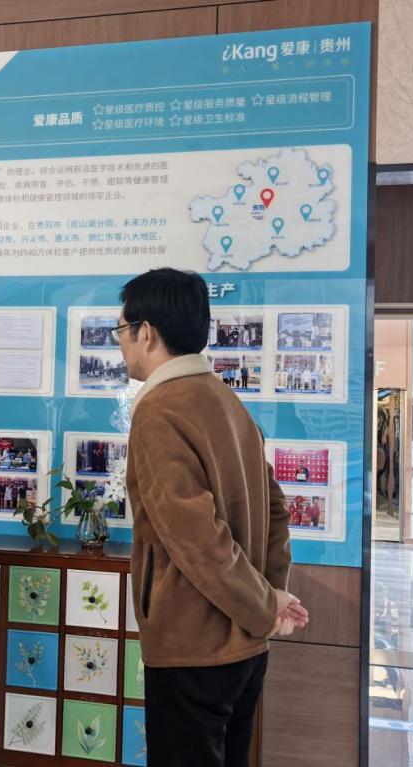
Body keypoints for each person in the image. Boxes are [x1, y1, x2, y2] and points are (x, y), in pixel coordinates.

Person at [114, 268, 309, 767]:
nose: (120, 343)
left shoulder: (159, 409)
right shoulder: (226, 400)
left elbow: (197, 539)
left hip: (192, 647)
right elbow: (275, 510)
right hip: (247, 647)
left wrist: (265, 605)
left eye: (121, 330)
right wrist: (270, 596)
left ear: (146, 332)